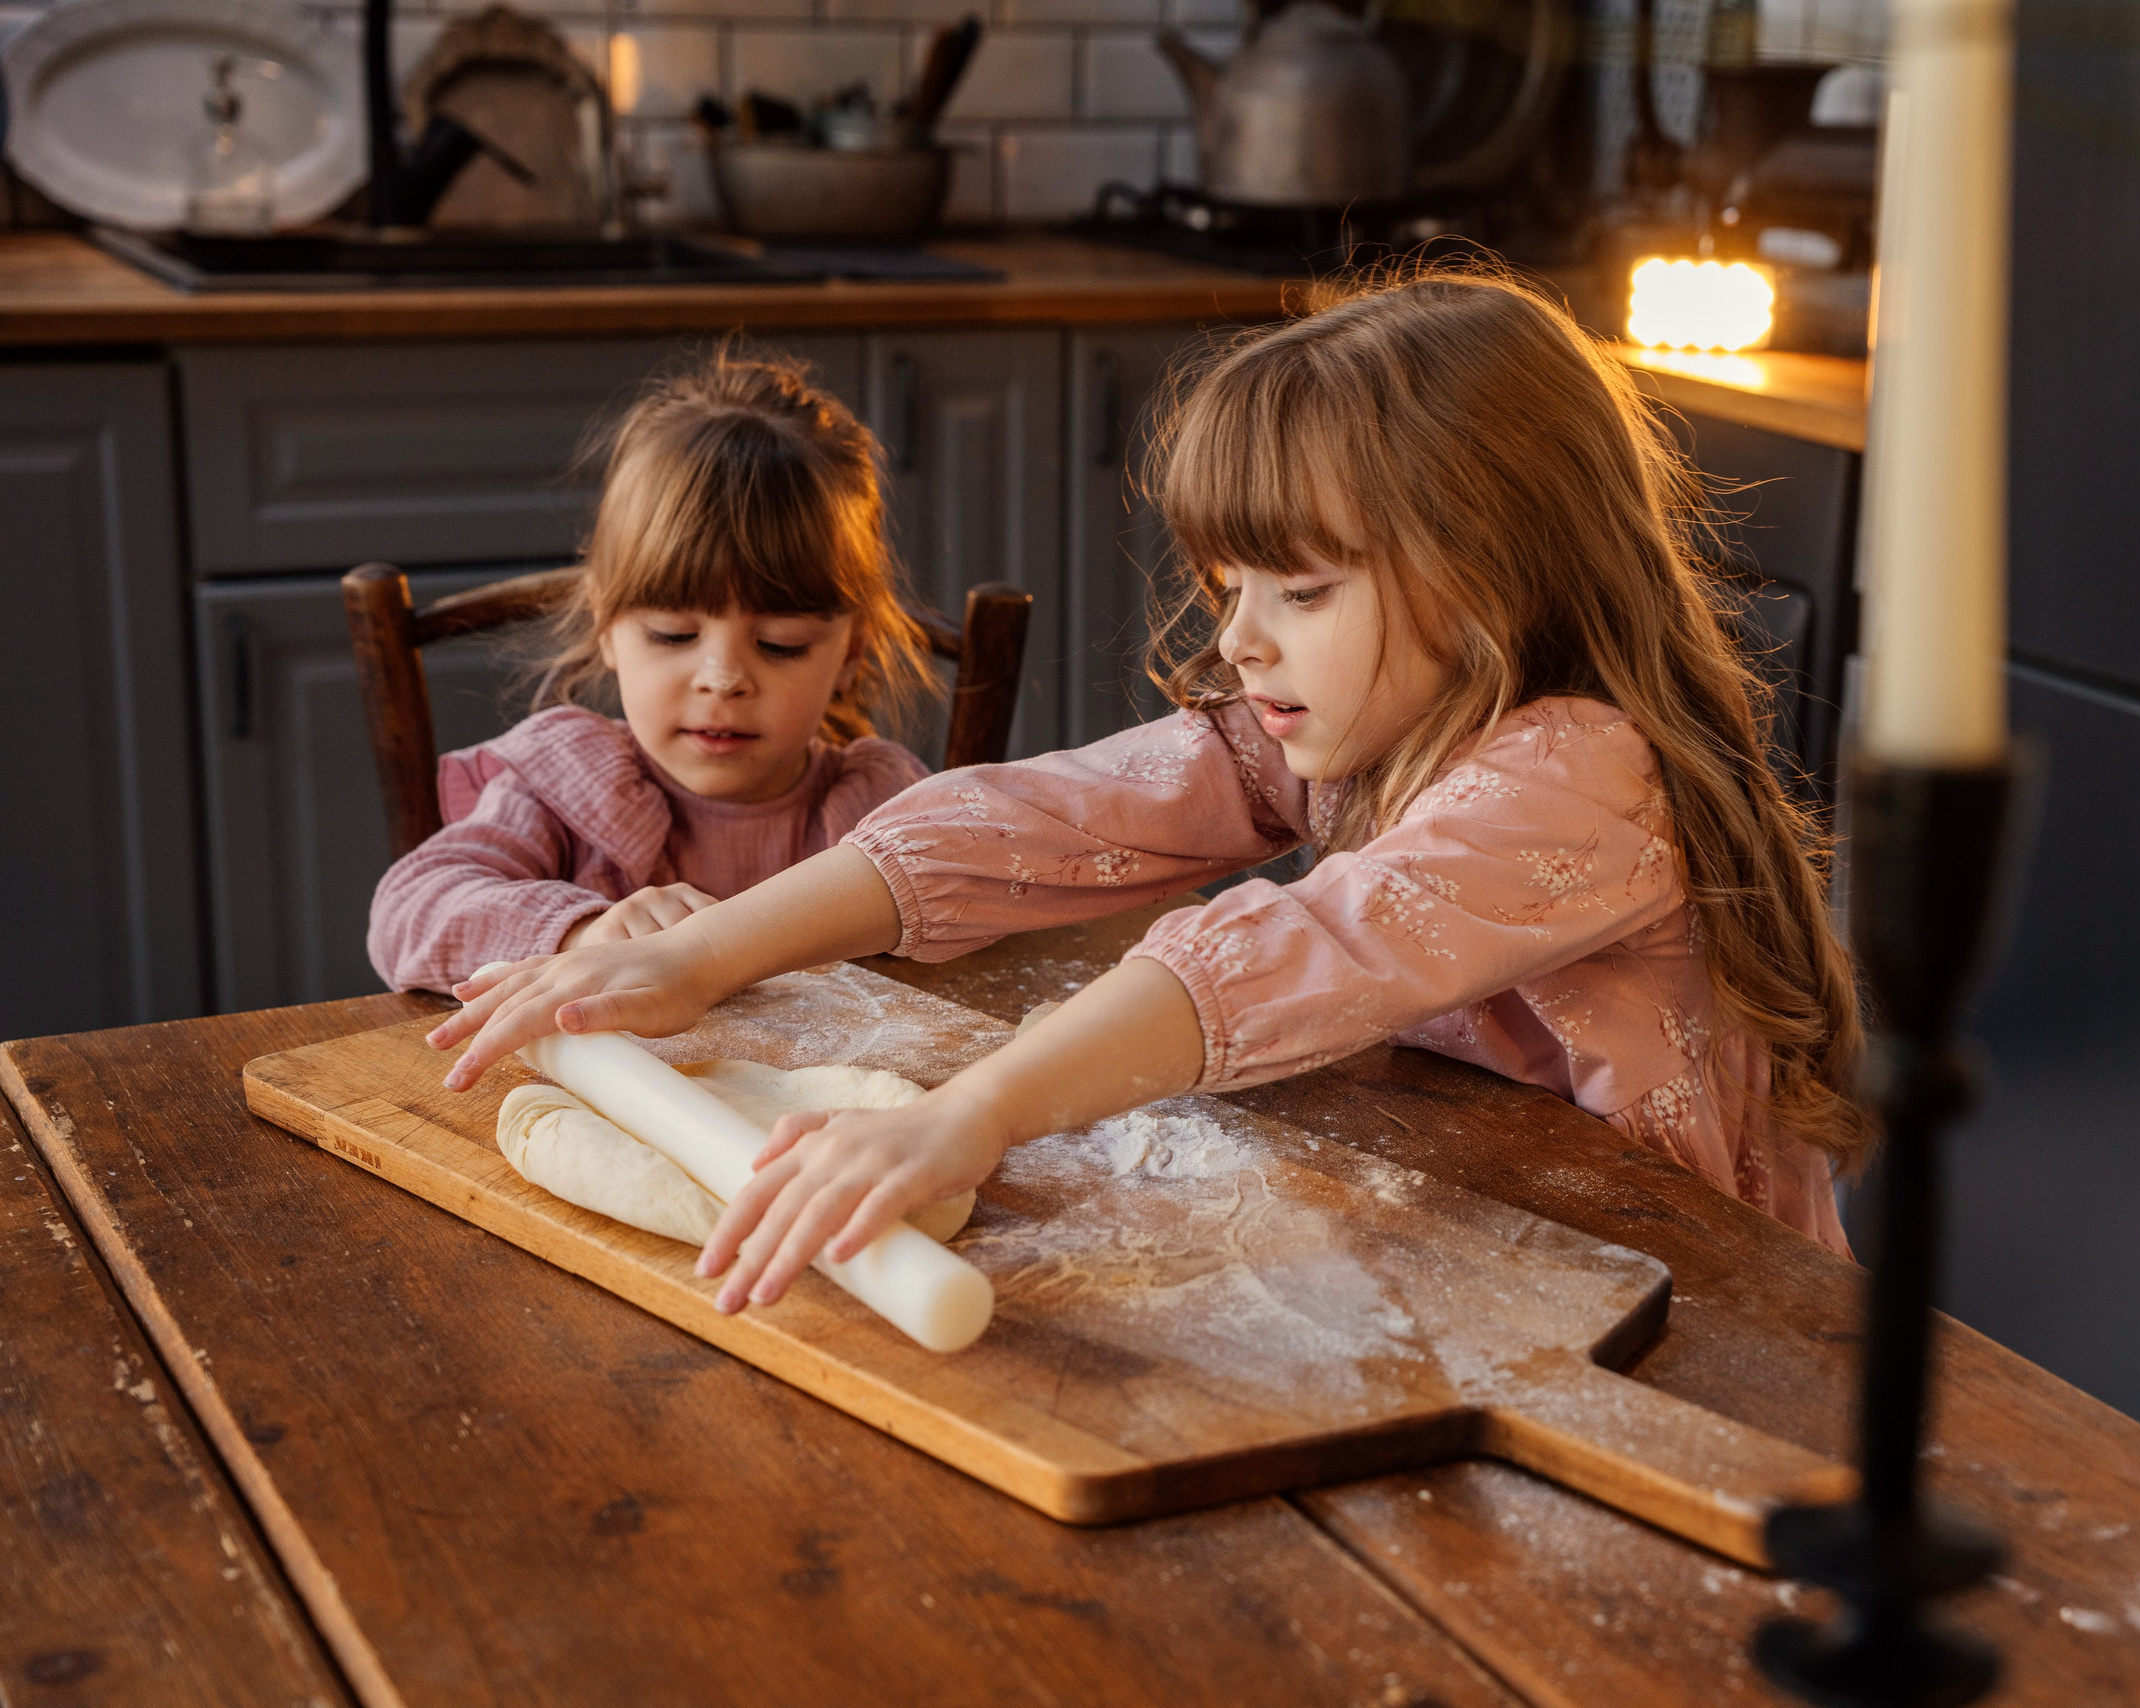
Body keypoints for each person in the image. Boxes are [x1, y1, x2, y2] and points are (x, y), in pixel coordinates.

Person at [429, 265, 1869, 1314]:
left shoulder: (1580, 774)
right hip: (1508, 1254)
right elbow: (1051, 814)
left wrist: (969, 1115)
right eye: (1231, 588)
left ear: (1487, 579)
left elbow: (1305, 944)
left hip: (1703, 1312)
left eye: (1300, 589)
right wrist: (694, 956)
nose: (1241, 640)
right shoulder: (1354, 726)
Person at [366, 347, 935, 995]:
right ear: (607, 627)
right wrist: (582, 934)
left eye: (780, 644)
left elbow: (983, 923)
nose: (722, 678)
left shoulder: (874, 808)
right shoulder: (566, 791)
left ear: (851, 653)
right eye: (674, 634)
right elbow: (406, 912)